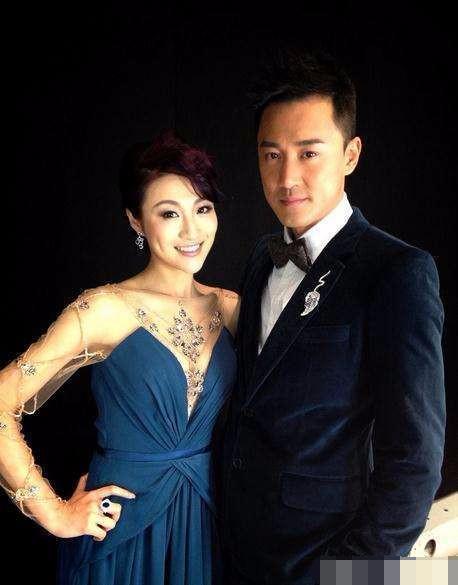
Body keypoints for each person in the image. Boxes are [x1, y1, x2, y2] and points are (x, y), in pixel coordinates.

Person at [221, 51, 446, 584]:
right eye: (271, 155)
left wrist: (351, 575)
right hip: (235, 552)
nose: (287, 177)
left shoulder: (398, 271)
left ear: (350, 154)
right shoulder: (260, 258)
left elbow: (415, 463)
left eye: (308, 153)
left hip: (324, 561)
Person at [0, 129, 240, 584]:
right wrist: (54, 513)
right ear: (136, 221)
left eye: (202, 208)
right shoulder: (104, 309)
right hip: (122, 527)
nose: (192, 231)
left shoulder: (230, 309)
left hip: (206, 521)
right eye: (169, 213)